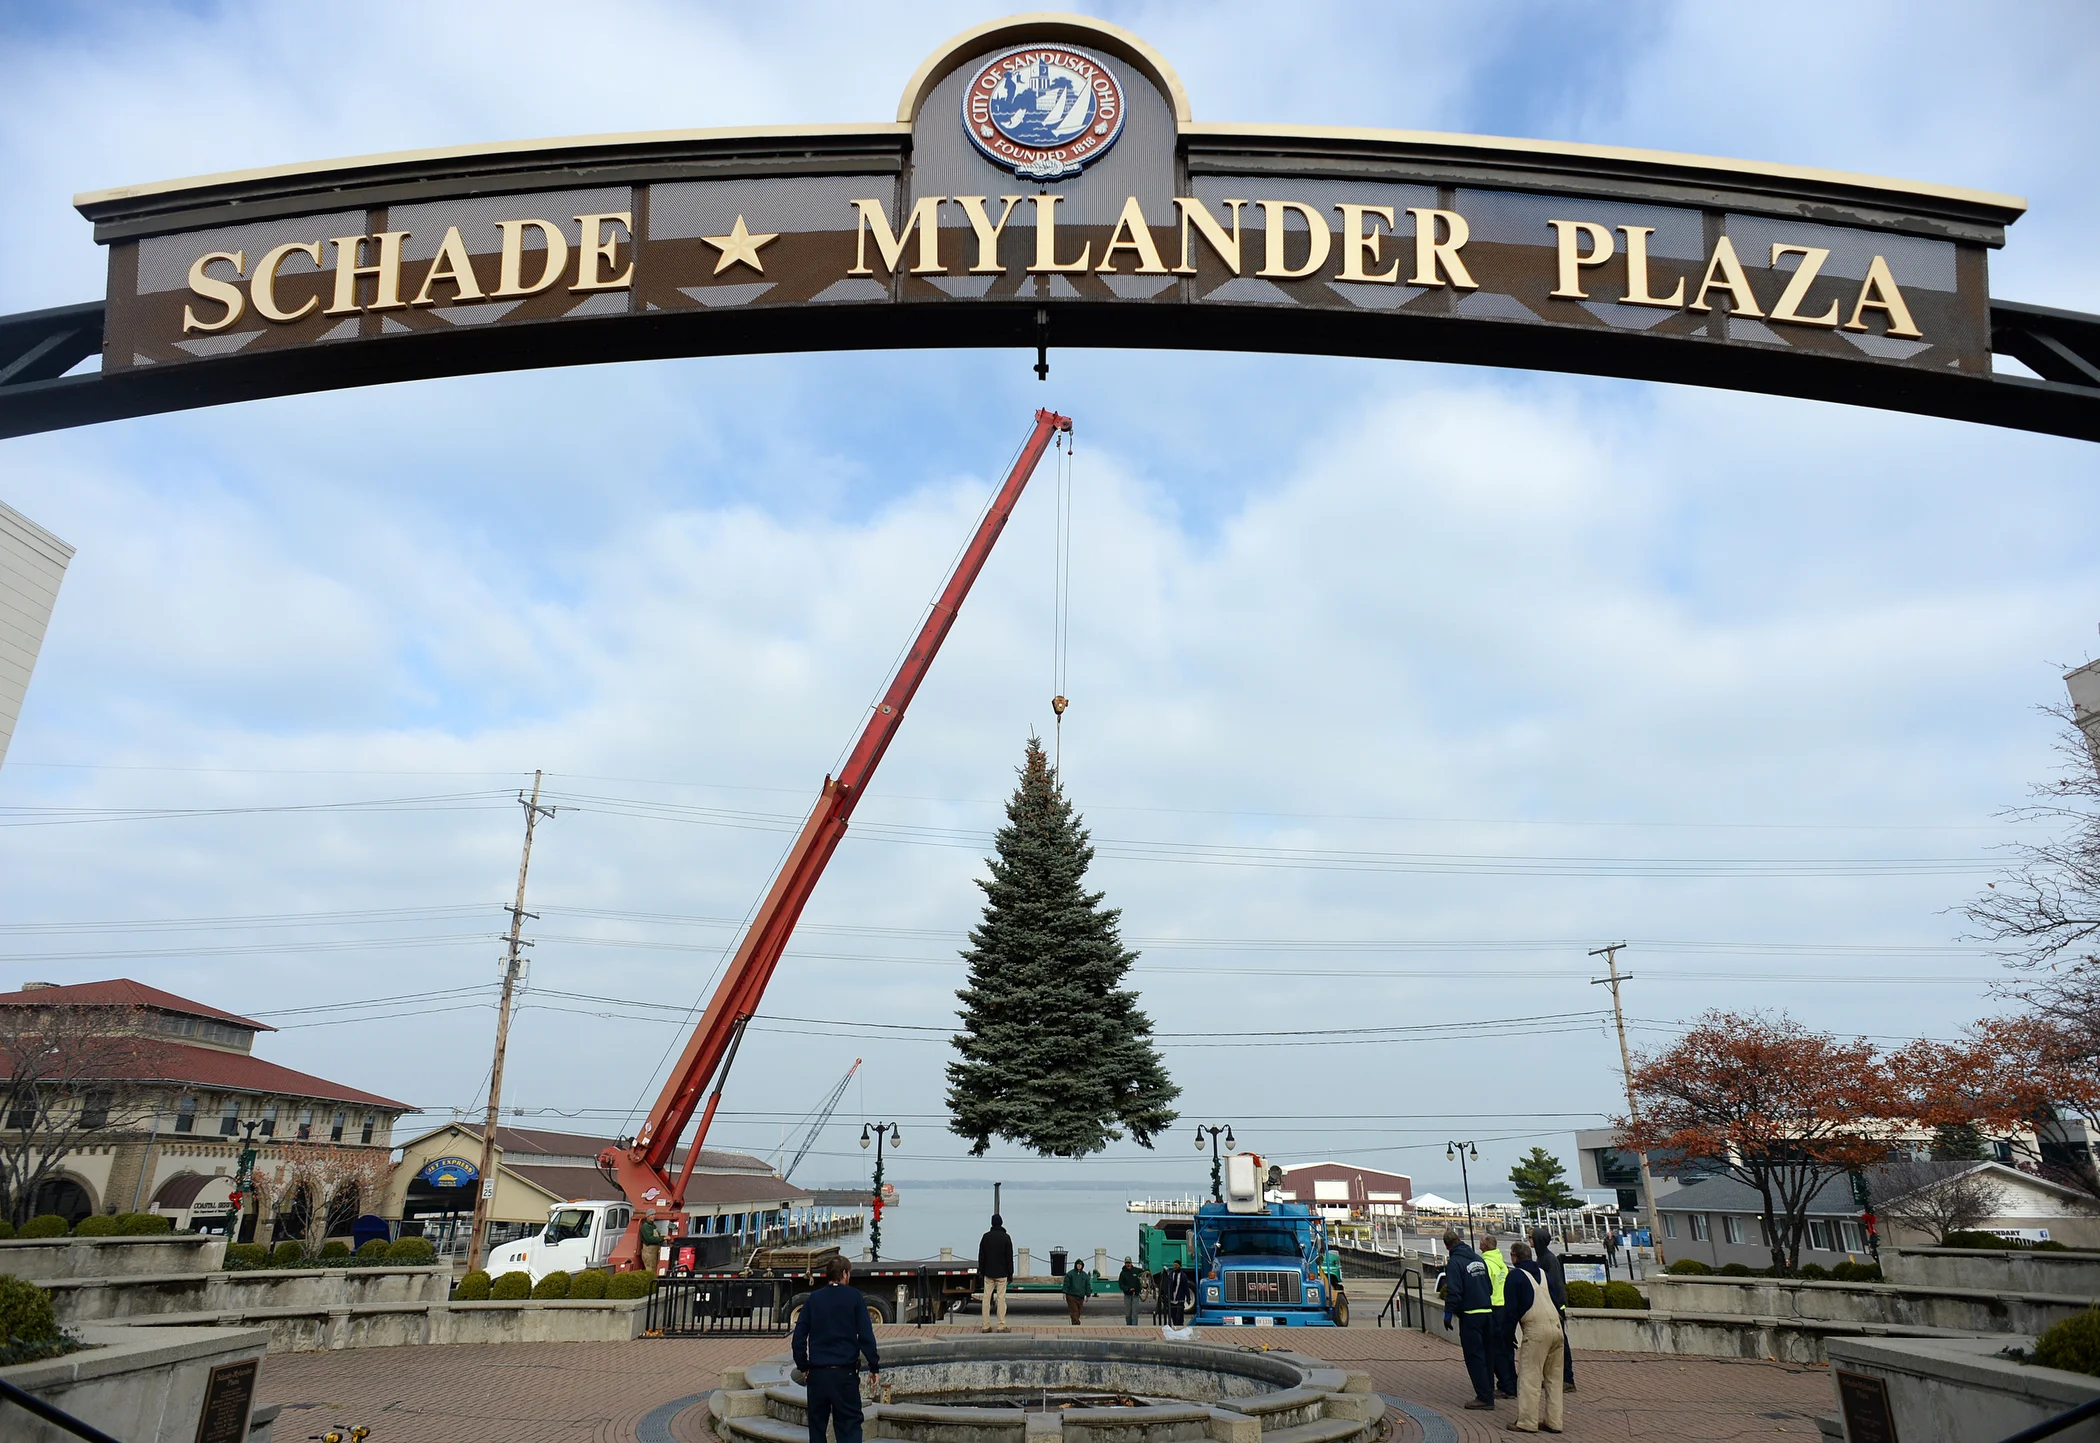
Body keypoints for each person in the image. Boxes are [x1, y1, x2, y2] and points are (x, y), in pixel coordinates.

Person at [791, 1255, 881, 1443]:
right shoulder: (854, 1297)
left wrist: (804, 1366)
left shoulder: (813, 1299)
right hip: (844, 1374)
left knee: (817, 1429)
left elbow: (798, 1338)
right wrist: (874, 1366)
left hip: (817, 1375)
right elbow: (866, 1336)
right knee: (849, 1427)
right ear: (845, 1274)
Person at [1503, 1242, 1565, 1434]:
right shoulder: (1544, 1274)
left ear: (1514, 1257)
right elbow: (1557, 1300)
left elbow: (1510, 1310)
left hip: (1536, 1330)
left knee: (1530, 1376)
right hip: (1556, 1327)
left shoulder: (1515, 1276)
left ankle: (1527, 1422)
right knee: (1554, 1378)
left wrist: (1508, 1335)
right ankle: (1554, 1421)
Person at [1438, 1228, 1496, 1411]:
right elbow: (1489, 1287)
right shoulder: (1478, 1259)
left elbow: (1454, 1291)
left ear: (1447, 1246)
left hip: (1471, 1315)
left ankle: (1484, 1397)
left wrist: (1448, 1313)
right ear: (1459, 1239)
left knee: (1474, 1356)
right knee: (1488, 1354)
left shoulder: (1455, 1262)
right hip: (1487, 1312)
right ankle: (1489, 1391)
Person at [1530, 1227, 1576, 1393]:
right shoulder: (1541, 1258)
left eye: (1532, 1238)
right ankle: (1553, 1377)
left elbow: (1556, 1285)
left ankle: (1568, 1379)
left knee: (1561, 1344)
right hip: (1547, 1306)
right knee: (1550, 1345)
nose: (1529, 1240)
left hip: (1555, 1308)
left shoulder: (1549, 1260)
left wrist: (1557, 1307)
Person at [1481, 1233, 1517, 1399]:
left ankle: (1506, 1385)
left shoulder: (1487, 1263)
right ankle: (1511, 1382)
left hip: (1494, 1307)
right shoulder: (1501, 1263)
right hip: (1505, 1307)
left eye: (1481, 1241)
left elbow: (1485, 1286)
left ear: (1485, 1246)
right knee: (1506, 1348)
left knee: (1496, 1349)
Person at [976, 1213, 1015, 1333]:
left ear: (992, 1223)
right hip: (1002, 1273)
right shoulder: (1006, 1237)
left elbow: (981, 1256)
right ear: (1001, 1223)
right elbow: (1009, 1258)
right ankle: (1001, 1325)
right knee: (1001, 1299)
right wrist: (1010, 1273)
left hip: (988, 1273)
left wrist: (981, 1271)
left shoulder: (985, 1237)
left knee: (986, 1299)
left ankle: (985, 1325)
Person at [1062, 1257, 1090, 1324]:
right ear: (1075, 1265)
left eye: (1080, 1265)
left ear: (1082, 1266)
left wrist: (1088, 1295)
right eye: (1078, 1264)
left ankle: (1075, 1324)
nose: (1079, 1266)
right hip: (1071, 1296)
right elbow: (1066, 1284)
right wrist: (1064, 1292)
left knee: (1079, 1311)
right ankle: (1076, 1324)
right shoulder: (1070, 1274)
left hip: (1080, 1297)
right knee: (1074, 1311)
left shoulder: (1085, 1275)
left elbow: (1088, 1286)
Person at [1168, 1262, 1196, 1327]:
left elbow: (1186, 1287)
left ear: (1180, 1266)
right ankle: (1175, 1325)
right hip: (1172, 1298)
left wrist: (1188, 1298)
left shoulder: (1183, 1276)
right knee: (1173, 1314)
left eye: (1176, 1265)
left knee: (1179, 1314)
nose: (1175, 1267)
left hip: (1180, 1298)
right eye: (1174, 1265)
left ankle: (1180, 1325)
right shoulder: (1171, 1275)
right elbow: (1168, 1285)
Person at [1118, 1256, 1143, 1326]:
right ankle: (1128, 1327)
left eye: (1129, 1263)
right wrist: (1128, 1289)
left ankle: (1134, 1327)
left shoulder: (1136, 1270)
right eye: (1127, 1263)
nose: (1128, 1264)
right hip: (1127, 1295)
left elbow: (1144, 1272)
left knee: (1135, 1313)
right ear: (1125, 1263)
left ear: (1131, 1263)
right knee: (1128, 1313)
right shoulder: (1123, 1273)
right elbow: (1121, 1285)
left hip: (1135, 1295)